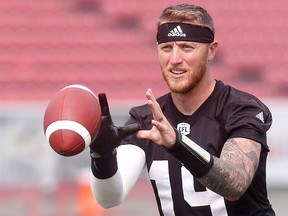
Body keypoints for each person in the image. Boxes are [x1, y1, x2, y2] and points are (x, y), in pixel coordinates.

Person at [89, 4, 275, 216]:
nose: (175, 59)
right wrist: (102, 156)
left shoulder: (242, 109)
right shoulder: (147, 118)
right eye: (166, 47)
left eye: (187, 47)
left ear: (211, 51)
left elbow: (234, 184)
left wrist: (178, 143)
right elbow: (110, 198)